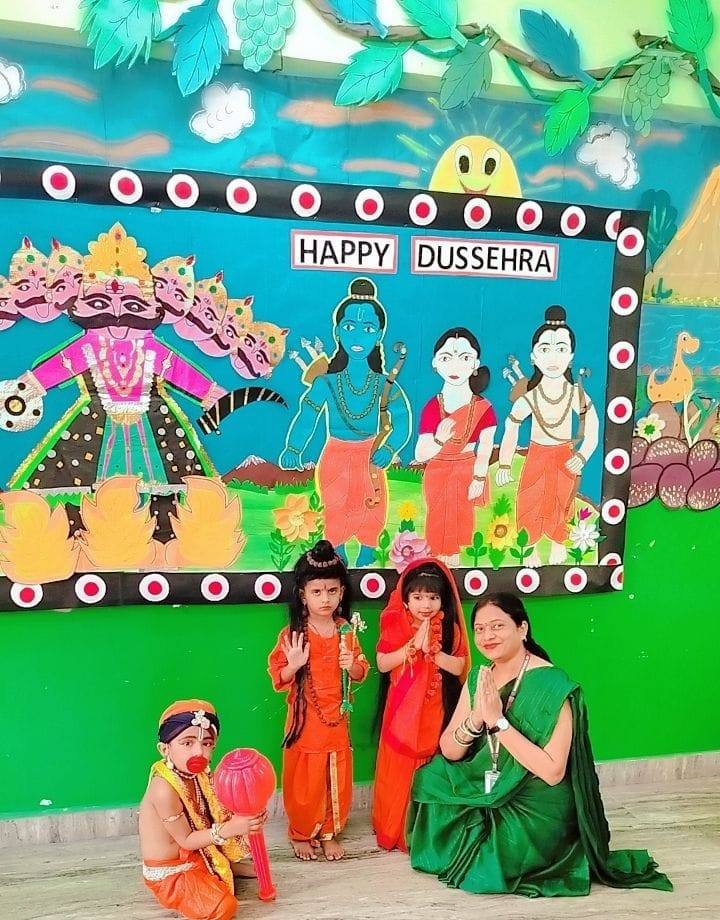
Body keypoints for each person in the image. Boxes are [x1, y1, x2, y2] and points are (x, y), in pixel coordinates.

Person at [407, 594, 672, 897]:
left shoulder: (552, 684)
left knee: (490, 864)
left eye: (497, 626)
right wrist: (476, 719)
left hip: (538, 798)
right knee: (430, 778)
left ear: (522, 628)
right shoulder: (481, 678)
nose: (487, 636)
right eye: (479, 629)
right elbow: (450, 750)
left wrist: (498, 722)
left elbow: (553, 772)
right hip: (491, 780)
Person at [278, 277, 411, 567]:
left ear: (379, 334)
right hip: (336, 459)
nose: (358, 336)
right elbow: (308, 415)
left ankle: (366, 562)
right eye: (350, 327)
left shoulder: (384, 385)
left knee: (372, 515)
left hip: (371, 460)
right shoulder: (326, 382)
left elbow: (402, 422)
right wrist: (294, 448)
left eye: (368, 329)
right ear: (338, 331)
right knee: (336, 514)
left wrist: (389, 450)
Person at [268, 540, 370, 860]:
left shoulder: (345, 630)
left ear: (341, 593)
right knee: (306, 779)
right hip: (306, 720)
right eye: (317, 592)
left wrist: (350, 666)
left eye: (331, 591)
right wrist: (293, 666)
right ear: (303, 595)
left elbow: (361, 671)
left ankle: (328, 832)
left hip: (337, 718)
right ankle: (301, 832)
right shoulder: (293, 634)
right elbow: (278, 676)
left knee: (333, 775)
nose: (325, 599)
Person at [372, 559, 469, 852]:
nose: (425, 605)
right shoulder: (394, 624)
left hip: (435, 712)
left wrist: (433, 653)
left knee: (428, 766)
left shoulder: (449, 628)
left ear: (443, 599)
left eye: (433, 597)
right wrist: (413, 646)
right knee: (397, 769)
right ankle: (393, 829)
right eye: (418, 597)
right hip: (400, 714)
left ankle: (423, 831)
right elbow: (382, 663)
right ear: (405, 599)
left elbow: (460, 666)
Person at [139, 699, 267, 920]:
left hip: (197, 852)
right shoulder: (163, 789)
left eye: (207, 743)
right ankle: (213, 872)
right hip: (172, 870)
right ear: (164, 749)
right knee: (224, 907)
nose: (199, 751)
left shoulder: (199, 774)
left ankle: (223, 866)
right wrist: (232, 828)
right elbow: (187, 840)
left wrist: (249, 813)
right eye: (187, 743)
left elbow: (220, 809)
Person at [495, 306, 599, 566]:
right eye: (545, 349)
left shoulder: (575, 394)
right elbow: (511, 427)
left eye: (561, 349)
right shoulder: (530, 397)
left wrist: (582, 456)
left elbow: (593, 427)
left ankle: (557, 543)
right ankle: (529, 547)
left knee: (561, 499)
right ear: (533, 356)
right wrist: (505, 463)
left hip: (564, 456)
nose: (553, 357)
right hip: (536, 455)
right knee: (530, 499)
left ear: (571, 356)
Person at [416, 328, 497, 567]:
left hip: (467, 470)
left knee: (461, 519)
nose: (455, 366)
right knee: (438, 520)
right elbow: (420, 453)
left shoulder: (484, 408)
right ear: (435, 363)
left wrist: (479, 478)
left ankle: (454, 563)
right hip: (438, 471)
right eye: (446, 358)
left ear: (475, 364)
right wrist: (439, 440)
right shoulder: (433, 406)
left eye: (464, 358)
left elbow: (485, 449)